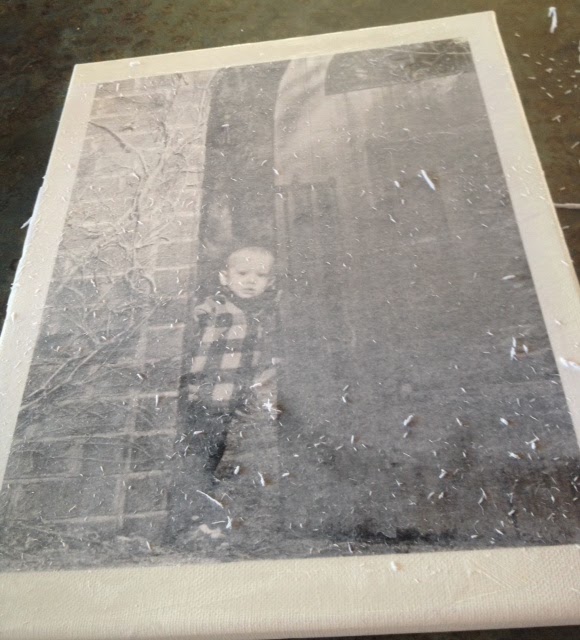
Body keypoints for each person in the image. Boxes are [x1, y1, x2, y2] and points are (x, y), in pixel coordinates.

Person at [168, 246, 280, 549]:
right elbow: (189, 335)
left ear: (270, 282)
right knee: (197, 458)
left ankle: (201, 517)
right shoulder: (212, 308)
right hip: (202, 399)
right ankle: (187, 520)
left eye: (260, 276)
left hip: (230, 403)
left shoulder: (263, 316)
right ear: (224, 277)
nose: (250, 281)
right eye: (242, 273)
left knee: (214, 457)